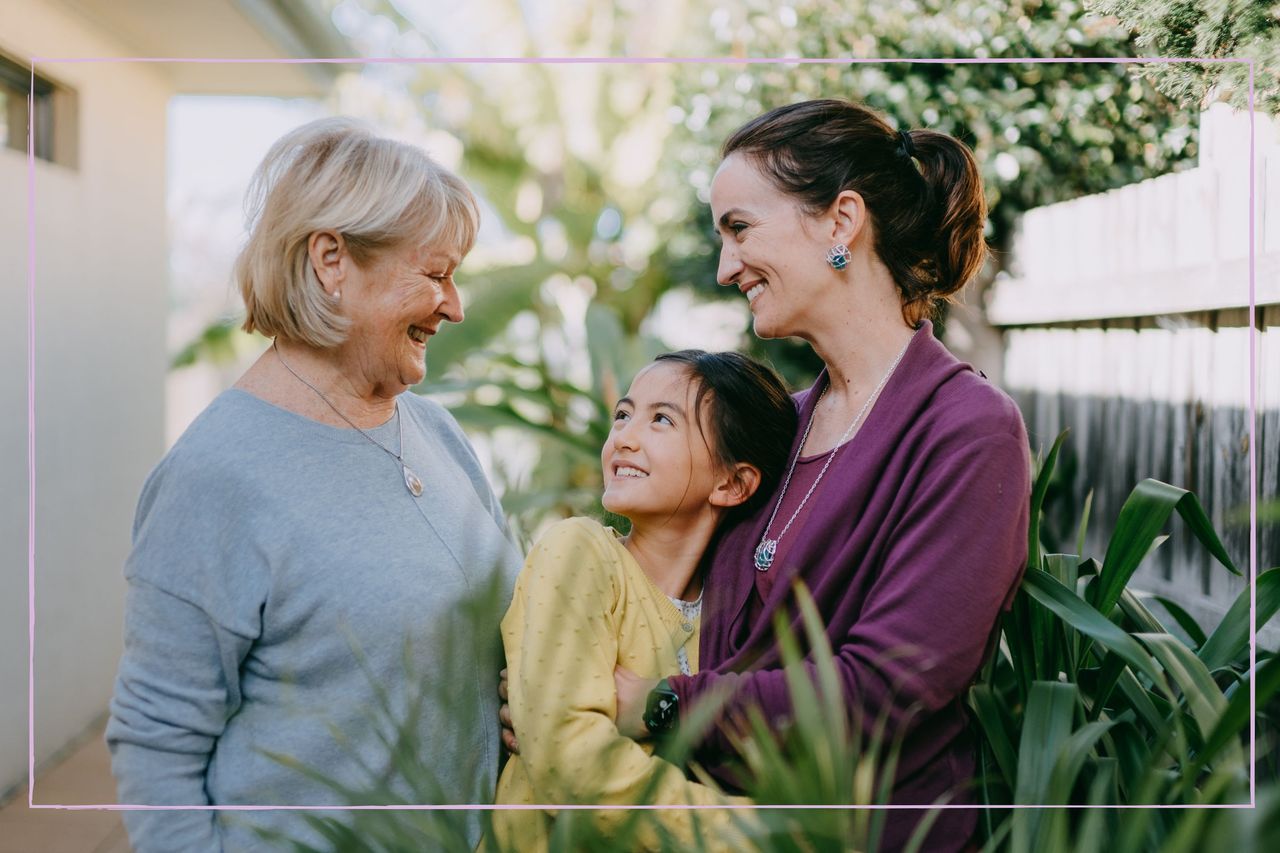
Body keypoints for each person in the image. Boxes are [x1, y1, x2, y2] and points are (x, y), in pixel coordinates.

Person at [598, 99, 1031, 851]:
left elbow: (885, 693)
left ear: (841, 221)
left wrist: (660, 707)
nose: (727, 267)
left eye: (740, 228)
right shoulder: (775, 427)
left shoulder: (967, 431)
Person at [106, 118, 522, 852]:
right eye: (435, 273)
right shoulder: (213, 478)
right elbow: (157, 747)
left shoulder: (436, 432)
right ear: (332, 259)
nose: (455, 305)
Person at [492, 350, 797, 851]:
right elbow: (571, 764)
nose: (623, 439)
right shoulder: (580, 552)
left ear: (732, 483)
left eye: (661, 420)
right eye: (623, 415)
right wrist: (760, 834)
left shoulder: (735, 625)